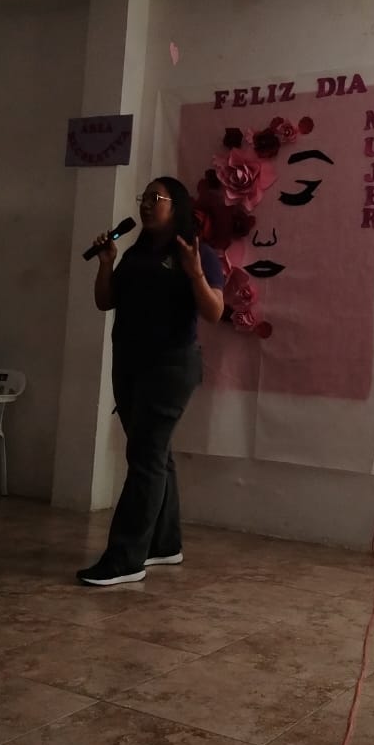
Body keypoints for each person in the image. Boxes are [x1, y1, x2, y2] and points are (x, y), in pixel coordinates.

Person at [77, 177, 225, 586]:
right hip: (130, 363)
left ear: (176, 206)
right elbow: (105, 301)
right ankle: (164, 543)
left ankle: (125, 559)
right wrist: (106, 263)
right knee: (154, 454)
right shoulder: (135, 253)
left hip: (171, 366)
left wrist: (195, 275)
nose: (145, 204)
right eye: (143, 197)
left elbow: (214, 312)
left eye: (155, 198)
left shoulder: (197, 252)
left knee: (145, 457)